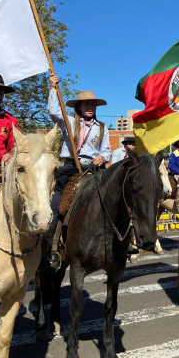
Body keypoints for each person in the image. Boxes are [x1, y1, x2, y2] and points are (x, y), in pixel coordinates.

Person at [44, 75, 112, 271]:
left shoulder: (102, 128)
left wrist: (103, 156)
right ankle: (53, 249)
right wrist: (52, 88)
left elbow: (106, 149)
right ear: (79, 107)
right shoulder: (69, 121)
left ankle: (117, 242)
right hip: (71, 167)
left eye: (93, 104)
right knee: (56, 204)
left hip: (93, 168)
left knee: (114, 196)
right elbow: (53, 111)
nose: (90, 107)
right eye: (86, 104)